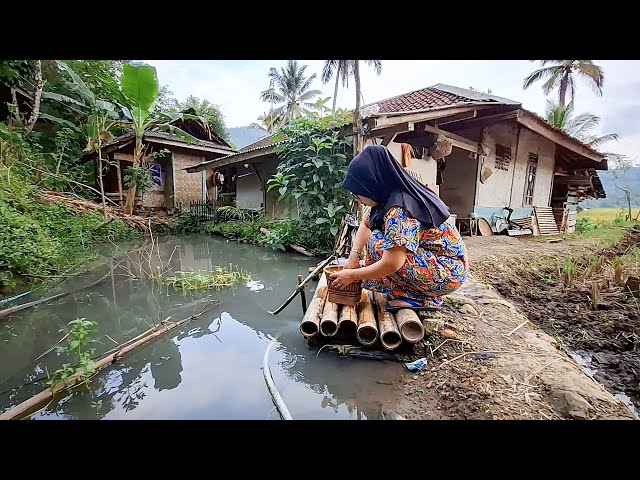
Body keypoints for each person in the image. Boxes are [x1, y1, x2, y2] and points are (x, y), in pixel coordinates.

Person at [328, 145, 468, 312]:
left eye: (357, 192)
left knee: (379, 246)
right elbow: (366, 224)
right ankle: (409, 291)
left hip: (447, 272)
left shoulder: (399, 208)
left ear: (370, 184)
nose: (357, 199)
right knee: (376, 241)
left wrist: (352, 275)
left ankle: (424, 298)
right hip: (433, 261)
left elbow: (392, 263)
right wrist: (353, 257)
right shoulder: (384, 197)